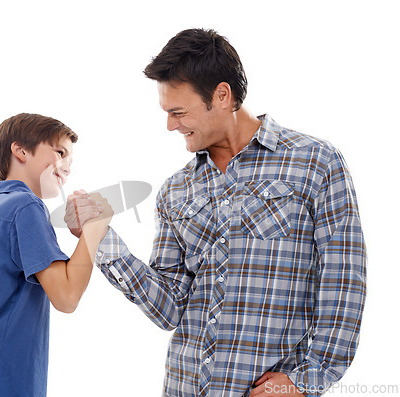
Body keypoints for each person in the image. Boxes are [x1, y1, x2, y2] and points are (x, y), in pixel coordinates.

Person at [68, 29, 366, 396]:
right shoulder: (176, 190)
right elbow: (170, 308)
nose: (170, 126)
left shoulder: (315, 163)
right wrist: (100, 235)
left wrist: (306, 379)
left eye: (178, 112)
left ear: (222, 96)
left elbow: (344, 280)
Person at [0, 113, 113, 396]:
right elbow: (66, 297)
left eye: (71, 161)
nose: (67, 167)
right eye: (60, 152)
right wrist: (95, 227)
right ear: (20, 150)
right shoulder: (26, 206)